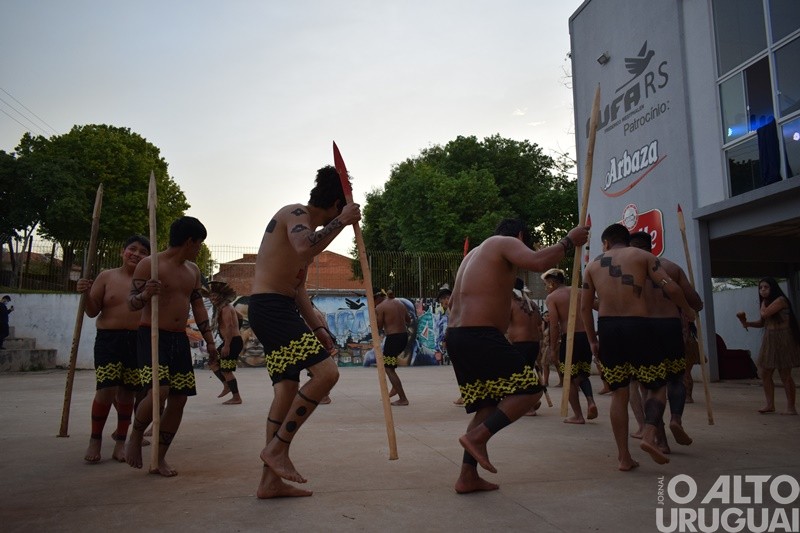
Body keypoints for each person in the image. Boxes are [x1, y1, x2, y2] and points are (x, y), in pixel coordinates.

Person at [448, 218, 589, 493]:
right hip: (479, 335)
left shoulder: (473, 256)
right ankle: (477, 438)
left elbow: (453, 302)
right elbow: (538, 262)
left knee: (487, 405)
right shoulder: (503, 243)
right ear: (520, 236)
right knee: (530, 390)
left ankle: (467, 476)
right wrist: (569, 240)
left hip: (459, 337)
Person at [249, 165, 360, 499]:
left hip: (279, 307)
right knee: (326, 374)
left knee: (286, 390)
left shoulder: (307, 228)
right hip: (270, 307)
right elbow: (304, 247)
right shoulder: (296, 214)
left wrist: (320, 330)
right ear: (335, 203)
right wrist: (344, 219)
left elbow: (298, 292)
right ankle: (278, 449)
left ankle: (269, 482)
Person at [581, 223, 695, 471]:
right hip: (640, 326)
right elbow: (670, 286)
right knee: (657, 386)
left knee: (619, 393)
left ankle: (624, 457)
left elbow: (584, 308)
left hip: (609, 328)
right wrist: (687, 310)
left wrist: (593, 340)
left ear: (606, 243)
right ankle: (649, 434)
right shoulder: (644, 257)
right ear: (625, 240)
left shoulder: (592, 265)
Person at [124, 216, 218, 477]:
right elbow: (131, 303)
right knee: (159, 391)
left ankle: (160, 457)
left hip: (179, 339)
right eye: (199, 243)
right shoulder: (149, 265)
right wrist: (145, 294)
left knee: (179, 400)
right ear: (190, 241)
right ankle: (135, 436)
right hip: (152, 335)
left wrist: (210, 340)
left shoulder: (193, 271)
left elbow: (197, 305)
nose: (200, 248)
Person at [77, 236, 151, 463]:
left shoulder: (149, 282)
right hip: (109, 340)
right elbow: (91, 311)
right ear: (123, 251)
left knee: (128, 392)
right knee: (106, 390)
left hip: (137, 340)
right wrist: (85, 293)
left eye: (142, 252)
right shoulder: (106, 276)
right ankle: (95, 439)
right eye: (132, 249)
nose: (136, 254)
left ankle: (121, 442)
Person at [629, 231, 703, 451]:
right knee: (675, 380)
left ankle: (660, 439)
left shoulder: (626, 271)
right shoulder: (671, 267)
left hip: (642, 329)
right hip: (669, 326)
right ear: (651, 246)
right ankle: (676, 419)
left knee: (650, 387)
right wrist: (688, 309)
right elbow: (696, 302)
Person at [543, 268, 598, 424]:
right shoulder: (580, 291)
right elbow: (599, 305)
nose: (546, 287)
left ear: (552, 282)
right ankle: (591, 402)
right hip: (586, 337)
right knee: (581, 375)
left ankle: (578, 415)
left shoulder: (552, 297)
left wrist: (553, 349)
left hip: (570, 338)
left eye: (546, 284)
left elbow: (554, 326)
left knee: (569, 378)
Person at [738, 277, 800, 415]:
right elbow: (762, 322)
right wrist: (747, 323)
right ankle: (770, 404)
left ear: (773, 288)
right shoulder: (767, 304)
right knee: (765, 372)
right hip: (769, 340)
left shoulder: (780, 300)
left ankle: (791, 407)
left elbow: (765, 314)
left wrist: (763, 304)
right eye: (760, 288)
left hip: (783, 339)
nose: (763, 290)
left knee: (785, 374)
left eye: (766, 287)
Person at [507, 278, 543, 416]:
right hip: (534, 344)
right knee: (527, 373)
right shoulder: (532, 304)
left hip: (520, 344)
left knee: (519, 376)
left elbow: (503, 323)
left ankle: (528, 406)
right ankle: (533, 401)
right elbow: (539, 322)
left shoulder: (511, 304)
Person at [207, 281, 244, 405]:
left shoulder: (226, 308)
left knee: (226, 370)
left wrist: (227, 344)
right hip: (232, 340)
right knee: (213, 362)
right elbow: (240, 317)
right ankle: (226, 385)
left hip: (232, 342)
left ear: (221, 296)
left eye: (214, 296)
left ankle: (236, 397)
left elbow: (229, 326)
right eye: (210, 296)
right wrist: (237, 330)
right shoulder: (225, 307)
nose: (212, 298)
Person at [375, 288, 412, 406]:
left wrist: (375, 320)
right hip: (403, 337)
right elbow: (408, 320)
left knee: (388, 368)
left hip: (393, 339)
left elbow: (379, 327)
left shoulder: (380, 307)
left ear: (377, 298)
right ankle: (395, 387)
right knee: (391, 366)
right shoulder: (399, 302)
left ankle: (403, 398)